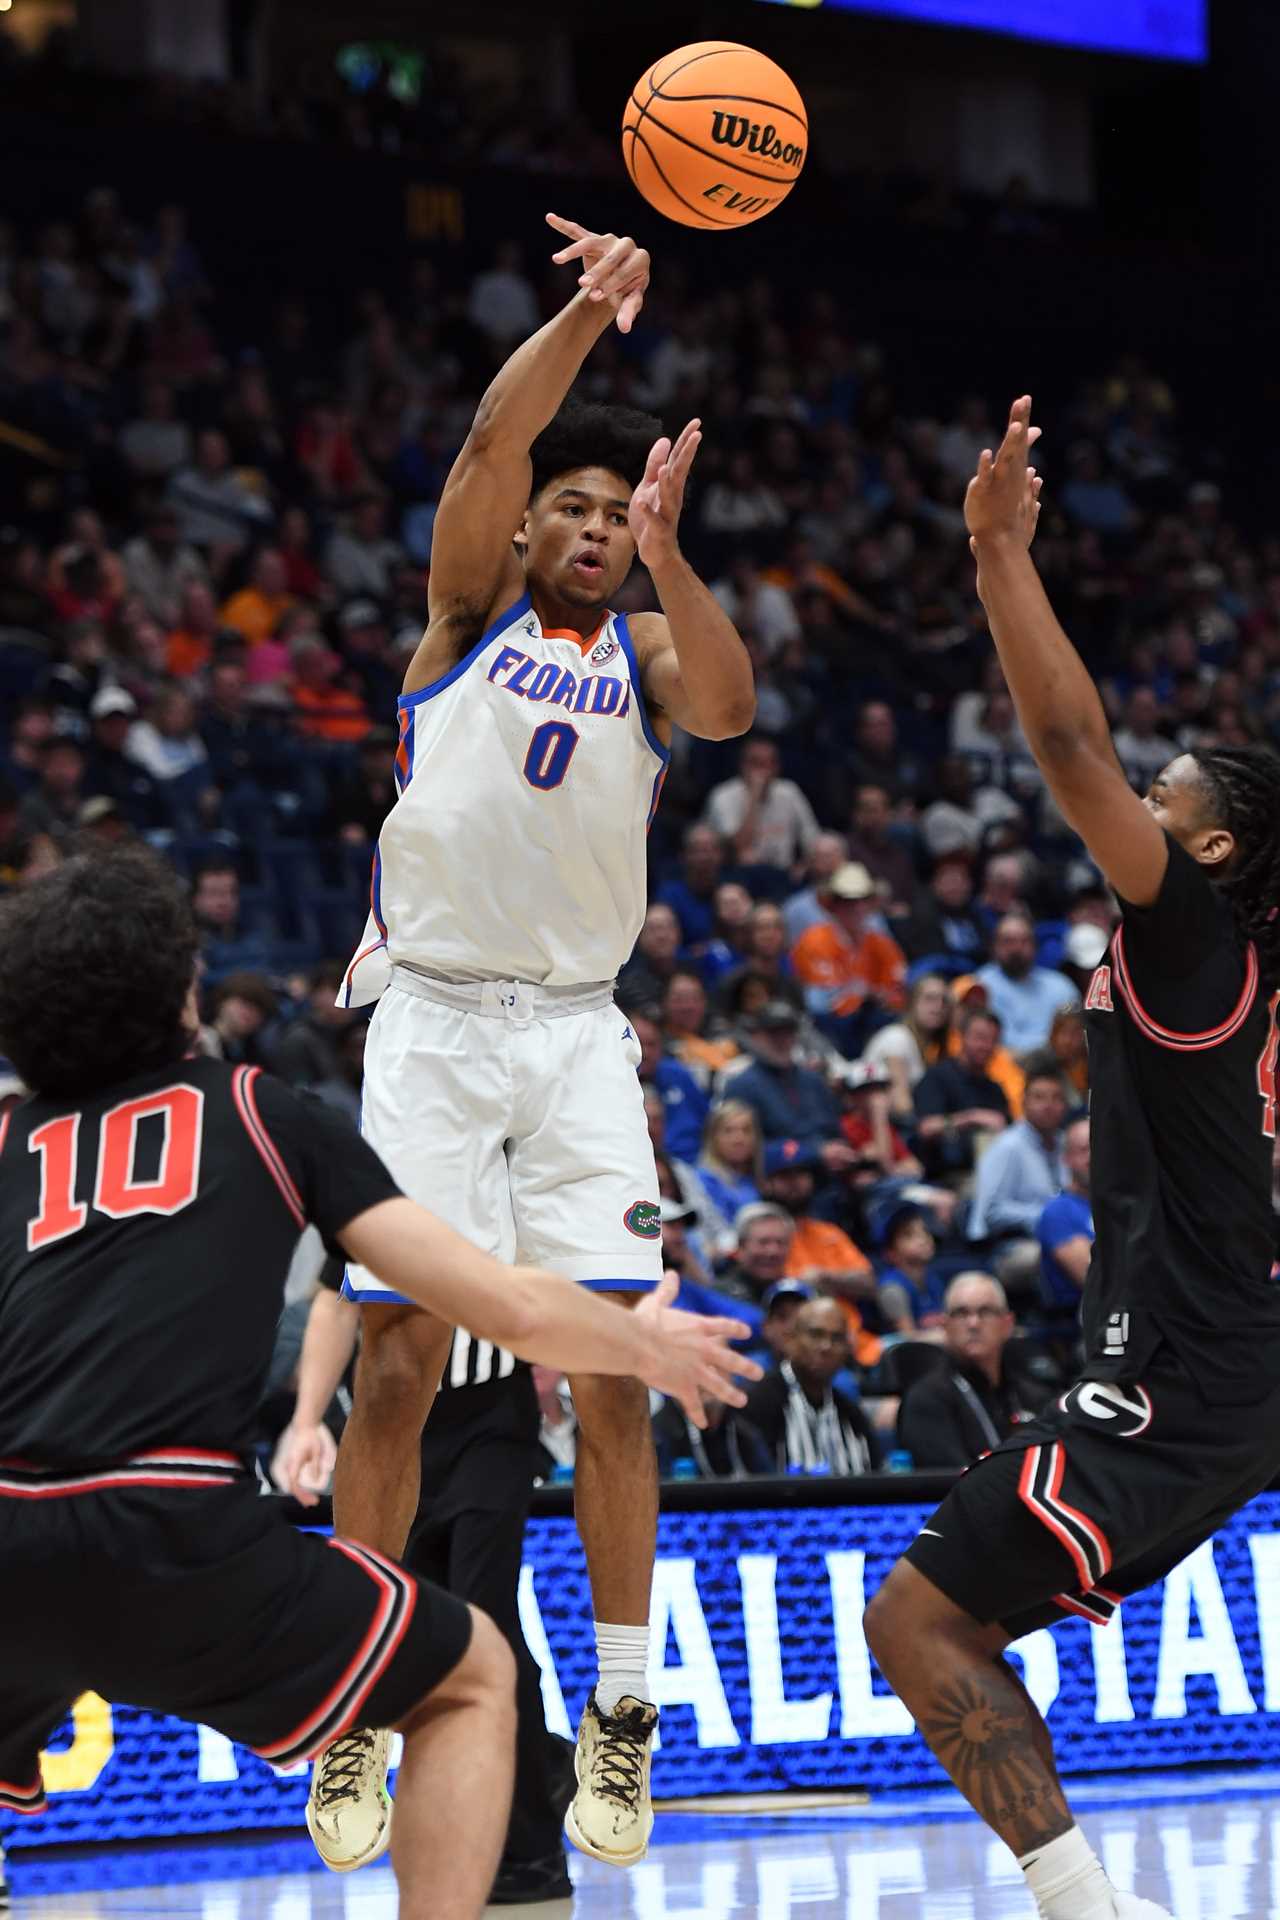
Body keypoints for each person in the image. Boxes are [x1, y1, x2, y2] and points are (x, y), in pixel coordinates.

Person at [0, 850, 756, 1920]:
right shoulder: (260, 1110)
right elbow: (510, 1304)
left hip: (11, 1534)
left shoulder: (3, 1145)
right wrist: (644, 1348)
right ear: (181, 994)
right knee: (473, 1678)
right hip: (174, 1526)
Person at [327, 213, 754, 1872]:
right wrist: (588, 318)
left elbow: (723, 706)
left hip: (578, 1042)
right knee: (400, 1372)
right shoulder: (459, 621)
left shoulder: (650, 650)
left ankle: (628, 1716)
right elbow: (495, 437)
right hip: (432, 1028)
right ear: (525, 532)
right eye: (566, 509)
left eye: (610, 513)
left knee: (616, 1377)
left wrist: (673, 551)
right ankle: (362, 1698)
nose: (585, 525)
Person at [864, 395, 1280, 1920]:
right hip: (1228, 1337)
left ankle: (1083, 1910)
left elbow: (1063, 737)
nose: (1144, 801)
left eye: (1172, 798)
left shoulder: (1194, 938)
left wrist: (994, 556)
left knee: (918, 1619)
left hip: (1193, 1359)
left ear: (1216, 853)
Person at [896, 1273, 1041, 1468]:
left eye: (986, 1311)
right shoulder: (926, 1399)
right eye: (961, 1313)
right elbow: (951, 1483)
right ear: (944, 1326)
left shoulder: (1033, 1396)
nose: (973, 1323)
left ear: (1007, 1324)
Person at [742, 1297, 881, 1474]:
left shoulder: (852, 1417)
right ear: (791, 1339)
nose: (826, 1346)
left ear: (847, 1349)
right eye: (816, 1335)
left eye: (836, 1338)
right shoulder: (757, 1402)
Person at [790, 861, 907, 1054]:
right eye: (847, 901)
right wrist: (866, 993)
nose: (857, 907)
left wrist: (869, 995)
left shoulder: (881, 942)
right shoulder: (814, 939)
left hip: (873, 1023)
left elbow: (897, 991)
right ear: (833, 905)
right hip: (830, 1027)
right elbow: (825, 1000)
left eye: (863, 900)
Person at [966, 1068, 1068, 1283]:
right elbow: (992, 1212)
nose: (1048, 1105)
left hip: (1059, 1236)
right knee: (1065, 1255)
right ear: (1023, 1103)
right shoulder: (1008, 1146)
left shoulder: (1065, 1144)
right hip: (1006, 1247)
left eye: (1056, 1098)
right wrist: (1047, 1217)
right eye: (1039, 1097)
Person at [912, 1003, 1012, 1180]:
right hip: (946, 1177)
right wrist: (972, 1117)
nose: (986, 1046)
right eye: (980, 1038)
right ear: (961, 1037)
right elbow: (926, 1128)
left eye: (993, 1040)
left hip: (989, 1174)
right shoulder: (938, 1077)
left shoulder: (995, 1089)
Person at [702, 733, 818, 874]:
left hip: (782, 874)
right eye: (755, 763)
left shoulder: (789, 792)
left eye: (767, 763)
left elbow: (812, 839)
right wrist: (755, 796)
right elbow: (738, 846)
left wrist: (803, 867)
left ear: (776, 767)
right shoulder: (723, 795)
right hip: (735, 872)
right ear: (742, 765)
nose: (761, 771)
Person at [975, 911, 1077, 1057]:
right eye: (1008, 941)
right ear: (994, 946)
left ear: (1035, 946)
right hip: (1001, 1066)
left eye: (1024, 941)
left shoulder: (1060, 985)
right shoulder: (980, 985)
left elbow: (1074, 1034)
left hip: (1056, 1065)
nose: (1016, 948)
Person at [1037, 1113, 1094, 1312]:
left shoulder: (1123, 1205)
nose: (1092, 1157)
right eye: (1083, 1150)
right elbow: (1094, 1278)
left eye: (1099, 1147)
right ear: (1067, 1158)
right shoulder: (1058, 1212)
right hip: (1083, 1322)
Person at [694, 1098, 764, 1234]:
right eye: (728, 1131)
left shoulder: (758, 1177)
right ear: (713, 1137)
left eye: (746, 1130)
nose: (738, 1138)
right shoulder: (703, 1180)